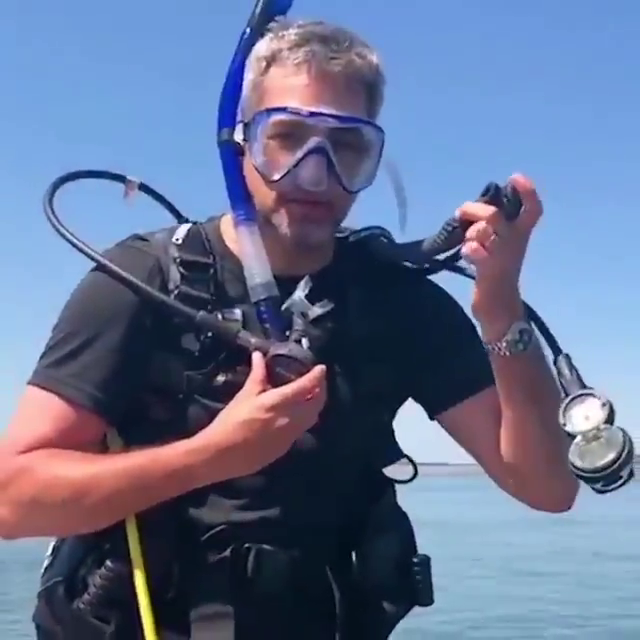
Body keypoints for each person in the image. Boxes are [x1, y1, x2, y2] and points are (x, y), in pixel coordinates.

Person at [0, 18, 578, 640]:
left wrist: (500, 308)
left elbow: (546, 486)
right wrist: (212, 456)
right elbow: (12, 499)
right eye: (289, 137)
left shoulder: (401, 306)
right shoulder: (146, 279)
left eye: (346, 147)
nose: (315, 172)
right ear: (241, 144)